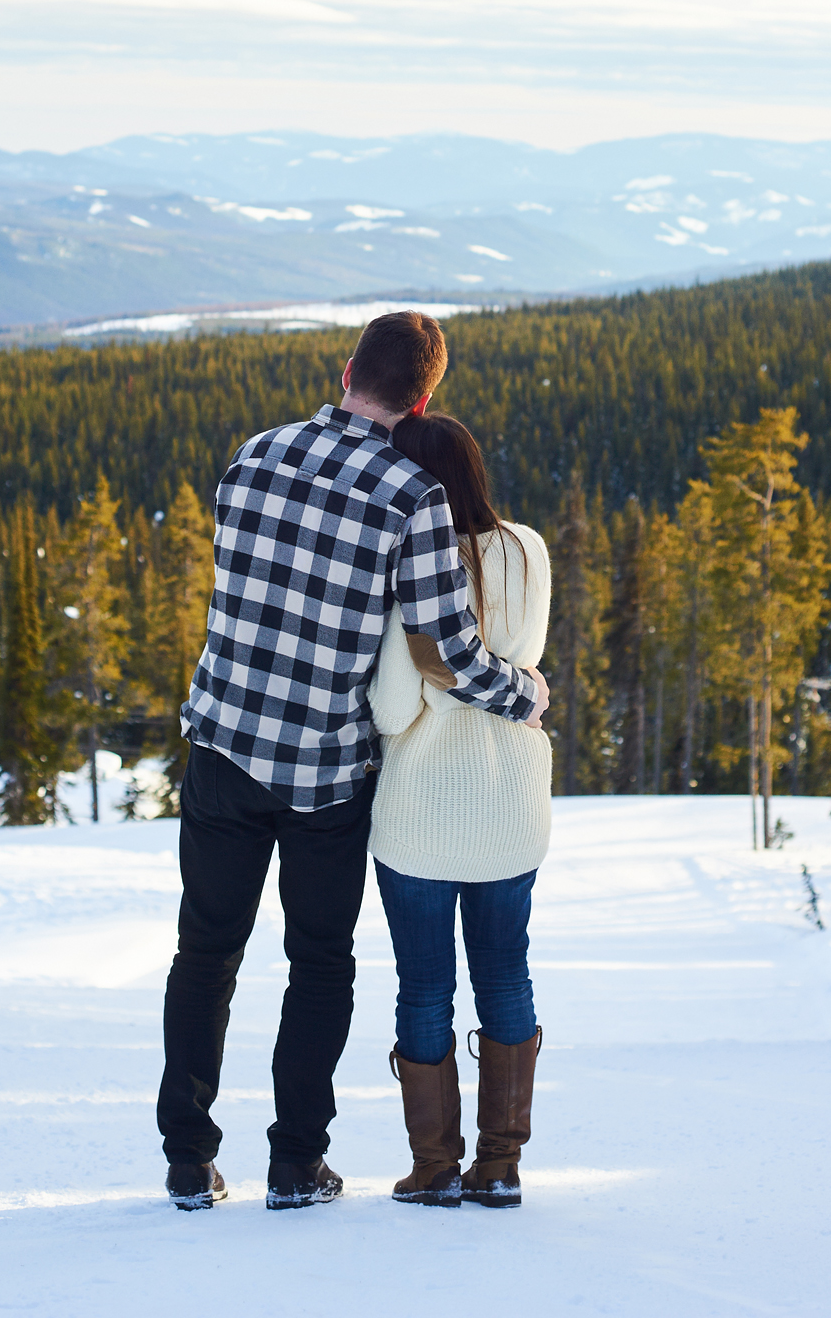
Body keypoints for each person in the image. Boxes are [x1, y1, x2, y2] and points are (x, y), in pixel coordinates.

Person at [156, 310, 549, 1212]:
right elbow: (441, 650)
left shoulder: (253, 453)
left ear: (345, 371)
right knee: (319, 963)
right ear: (422, 399)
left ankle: (187, 1156)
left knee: (204, 954)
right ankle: (295, 1163)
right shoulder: (412, 493)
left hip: (221, 739)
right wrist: (523, 695)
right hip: (323, 770)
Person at [369, 410, 552, 1210]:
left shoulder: (406, 561)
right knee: (505, 977)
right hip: (510, 804)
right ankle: (502, 1162)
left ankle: (433, 1164)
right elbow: (527, 660)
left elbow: (386, 705)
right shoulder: (526, 547)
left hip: (420, 810)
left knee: (422, 989)